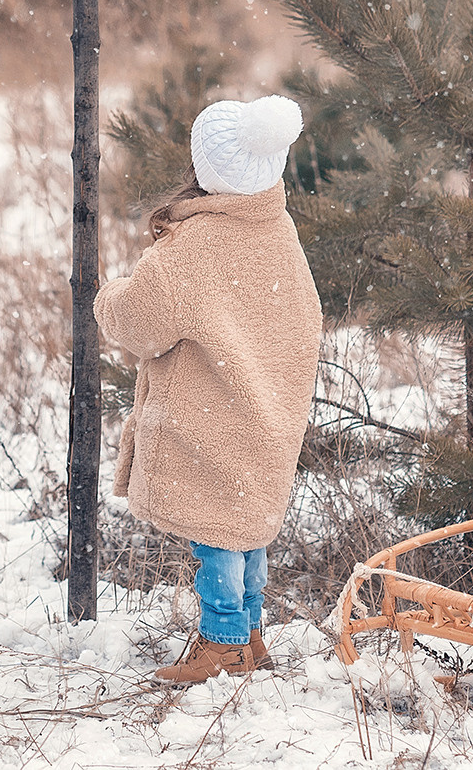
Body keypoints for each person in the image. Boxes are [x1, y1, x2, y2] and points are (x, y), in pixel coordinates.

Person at [94, 95, 323, 684]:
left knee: (215, 533)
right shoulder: (276, 226)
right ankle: (249, 633)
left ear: (206, 169)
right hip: (266, 408)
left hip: (213, 412)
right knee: (243, 526)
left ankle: (221, 642)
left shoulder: (194, 249)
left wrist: (109, 295)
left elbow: (140, 321)